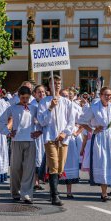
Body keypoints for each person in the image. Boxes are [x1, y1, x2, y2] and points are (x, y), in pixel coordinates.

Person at [79, 87, 111, 202]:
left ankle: (110, 188)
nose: (108, 97)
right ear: (100, 95)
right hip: (99, 138)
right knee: (102, 162)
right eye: (105, 94)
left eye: (109, 95)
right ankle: (104, 193)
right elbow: (82, 120)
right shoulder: (94, 108)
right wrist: (92, 130)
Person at [0, 86, 42, 204]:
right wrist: (8, 132)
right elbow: (0, 121)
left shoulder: (34, 108)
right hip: (16, 140)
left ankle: (26, 194)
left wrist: (39, 131)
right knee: (16, 168)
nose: (25, 100)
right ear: (19, 97)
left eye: (27, 98)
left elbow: (41, 121)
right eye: (23, 98)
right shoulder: (12, 108)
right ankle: (15, 192)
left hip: (30, 140)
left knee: (29, 169)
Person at [37, 75, 75, 206]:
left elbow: (71, 121)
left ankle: (52, 190)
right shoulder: (44, 102)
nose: (57, 85)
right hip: (50, 138)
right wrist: (50, 108)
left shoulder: (67, 102)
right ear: (49, 86)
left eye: (59, 83)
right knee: (53, 165)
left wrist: (65, 133)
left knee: (60, 167)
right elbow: (42, 121)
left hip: (63, 139)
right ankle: (55, 195)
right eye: (54, 83)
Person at [59, 89, 84, 199]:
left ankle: (69, 191)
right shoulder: (56, 106)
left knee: (70, 164)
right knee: (56, 164)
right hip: (58, 136)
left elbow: (83, 122)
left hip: (70, 138)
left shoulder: (75, 107)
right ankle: (53, 191)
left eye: (67, 95)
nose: (65, 97)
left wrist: (76, 132)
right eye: (63, 95)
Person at [31, 85, 46, 190]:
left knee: (43, 157)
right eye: (39, 92)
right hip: (36, 133)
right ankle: (35, 181)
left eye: (43, 92)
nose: (42, 94)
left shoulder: (46, 104)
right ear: (35, 94)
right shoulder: (33, 105)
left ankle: (41, 179)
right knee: (36, 157)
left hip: (45, 133)